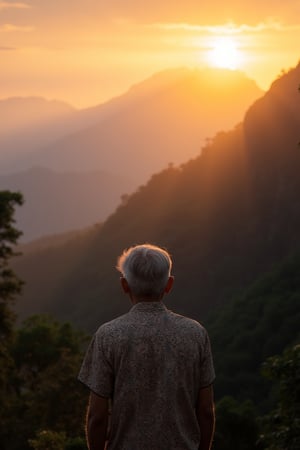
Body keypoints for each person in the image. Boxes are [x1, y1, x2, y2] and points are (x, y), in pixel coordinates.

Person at [78, 243, 215, 450]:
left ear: (124, 285)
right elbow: (205, 411)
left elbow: (97, 417)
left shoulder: (108, 335)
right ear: (169, 285)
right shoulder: (196, 334)